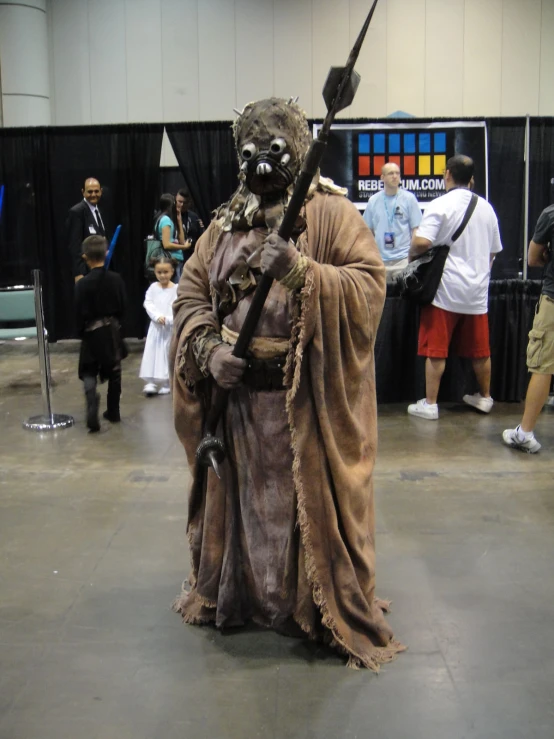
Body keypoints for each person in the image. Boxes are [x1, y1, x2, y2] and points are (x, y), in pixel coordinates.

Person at [169, 97, 404, 670]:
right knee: (249, 510)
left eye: (275, 152)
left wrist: (303, 273)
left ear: (297, 152)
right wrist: (208, 348)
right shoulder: (224, 224)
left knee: (304, 508)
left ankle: (312, 605)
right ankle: (245, 596)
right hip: (241, 411)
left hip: (307, 404)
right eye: (250, 154)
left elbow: (369, 286)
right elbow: (191, 296)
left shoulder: (330, 215)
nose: (263, 165)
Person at [406, 155, 502, 420]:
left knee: (436, 349)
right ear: (471, 179)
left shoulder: (440, 204)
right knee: (480, 349)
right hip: (477, 292)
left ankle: (430, 403)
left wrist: (412, 254)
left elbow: (423, 242)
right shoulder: (487, 208)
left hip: (445, 289)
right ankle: (484, 398)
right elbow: (494, 252)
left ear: (447, 174)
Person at [503, 204, 554, 453]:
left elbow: (533, 258)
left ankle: (525, 433)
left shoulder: (551, 214)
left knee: (543, 366)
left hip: (553, 301)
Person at [74, 236, 127, 432]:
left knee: (88, 371)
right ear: (106, 254)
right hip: (111, 331)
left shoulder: (82, 284)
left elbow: (78, 312)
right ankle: (113, 411)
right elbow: (123, 307)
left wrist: (82, 332)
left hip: (90, 332)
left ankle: (91, 401)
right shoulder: (116, 280)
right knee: (114, 372)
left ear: (85, 257)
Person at [363, 162, 422, 283]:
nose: (395, 176)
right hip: (380, 261)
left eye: (397, 173)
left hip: (403, 260)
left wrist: (412, 255)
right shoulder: (373, 200)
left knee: (403, 299)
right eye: (390, 173)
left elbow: (416, 229)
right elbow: (367, 231)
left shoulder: (409, 199)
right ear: (382, 177)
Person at [139, 255, 178, 397]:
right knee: (152, 352)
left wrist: (169, 319)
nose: (162, 275)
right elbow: (147, 303)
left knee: (168, 353)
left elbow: (179, 307)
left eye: (165, 272)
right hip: (156, 328)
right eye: (159, 272)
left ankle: (168, 381)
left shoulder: (177, 289)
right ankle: (151, 381)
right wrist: (156, 317)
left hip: (170, 329)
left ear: (172, 271)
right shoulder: (153, 288)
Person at [67, 178, 109, 282]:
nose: (93, 194)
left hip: (100, 269)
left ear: (101, 191)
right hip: (86, 272)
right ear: (83, 192)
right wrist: (78, 272)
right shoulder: (77, 212)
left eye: (96, 191)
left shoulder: (99, 210)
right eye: (90, 191)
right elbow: (74, 245)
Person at [153, 193, 186, 280]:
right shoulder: (165, 220)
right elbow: (166, 244)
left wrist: (179, 220)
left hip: (176, 260)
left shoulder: (170, 220)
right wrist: (183, 247)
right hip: (171, 260)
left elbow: (182, 241)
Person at [175, 188, 205, 269]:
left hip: (191, 255)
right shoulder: (170, 216)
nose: (182, 205)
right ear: (175, 200)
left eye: (185, 203)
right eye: (179, 202)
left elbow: (200, 235)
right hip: (175, 256)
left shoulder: (194, 217)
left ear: (189, 203)